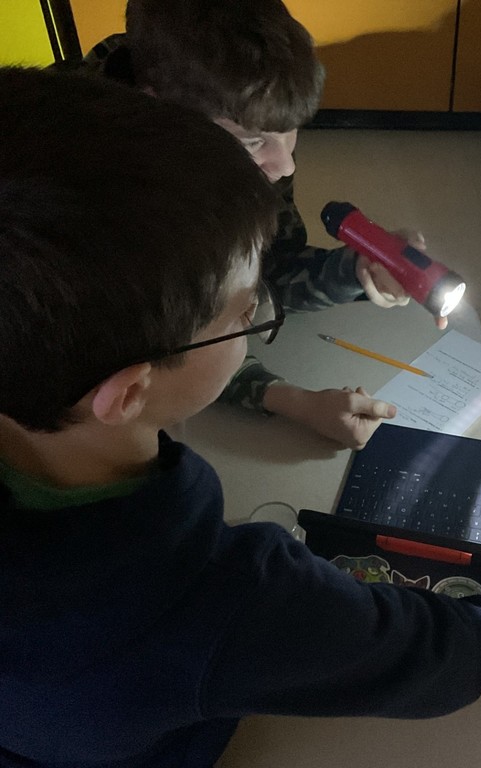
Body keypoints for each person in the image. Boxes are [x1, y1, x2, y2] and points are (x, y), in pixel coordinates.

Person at [0, 66, 481, 768]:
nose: (260, 318)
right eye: (247, 313)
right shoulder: (217, 601)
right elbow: (446, 652)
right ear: (126, 394)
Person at [81, 0, 436, 450]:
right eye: (254, 142)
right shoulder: (90, 202)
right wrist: (291, 401)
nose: (285, 165)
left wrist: (356, 269)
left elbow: (273, 269)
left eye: (292, 130)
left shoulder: (237, 109)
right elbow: (165, 355)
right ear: (161, 113)